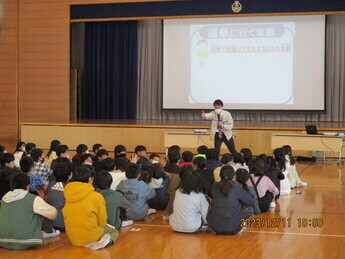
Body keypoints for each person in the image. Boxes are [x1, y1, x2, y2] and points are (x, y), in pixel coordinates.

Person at [63, 166, 118, 250]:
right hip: (90, 236)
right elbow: (102, 222)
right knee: (114, 231)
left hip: (73, 238)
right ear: (90, 179)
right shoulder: (97, 196)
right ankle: (104, 241)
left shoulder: (68, 194)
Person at [0, 173, 58, 250]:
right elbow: (53, 214)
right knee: (41, 211)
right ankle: (49, 232)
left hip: (2, 240)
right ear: (28, 186)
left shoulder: (4, 199)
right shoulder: (33, 199)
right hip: (26, 240)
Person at [207, 166, 254, 235]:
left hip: (216, 227)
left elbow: (213, 198)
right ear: (234, 176)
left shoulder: (214, 186)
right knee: (250, 209)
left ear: (220, 175)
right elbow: (250, 201)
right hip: (234, 228)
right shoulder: (237, 186)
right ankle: (242, 225)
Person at [46, 158, 73, 232]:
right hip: (64, 224)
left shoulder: (51, 184)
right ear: (69, 175)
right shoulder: (70, 187)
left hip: (51, 223)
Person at [163, 150, 181, 220]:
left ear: (168, 159)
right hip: (175, 201)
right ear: (179, 160)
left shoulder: (162, 170)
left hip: (162, 199)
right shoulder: (182, 172)